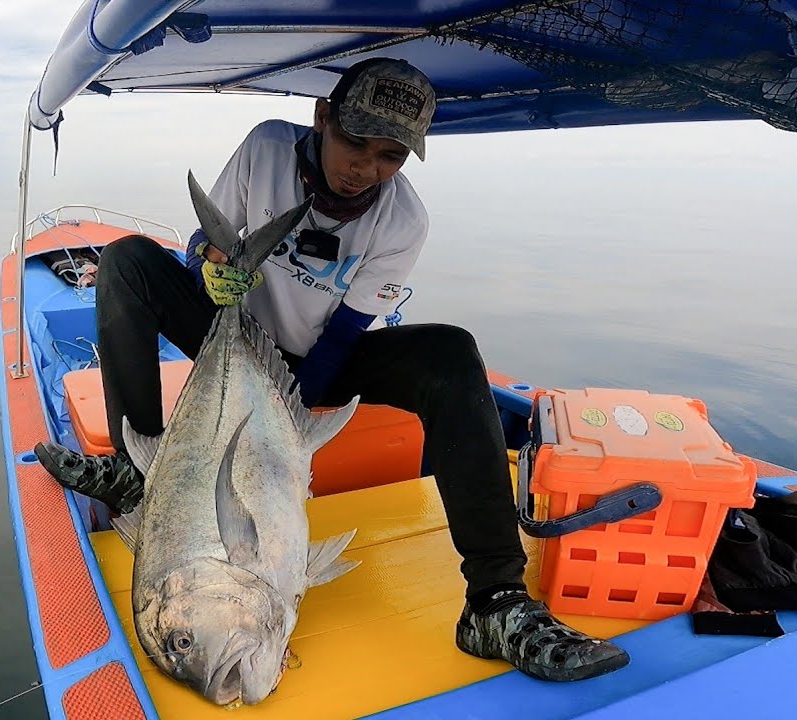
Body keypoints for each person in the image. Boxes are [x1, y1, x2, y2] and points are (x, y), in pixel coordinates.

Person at [34, 57, 630, 682]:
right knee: (129, 262)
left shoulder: (403, 221)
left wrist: (279, 418)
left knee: (452, 353)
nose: (364, 169)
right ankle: (141, 477)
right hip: (232, 322)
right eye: (354, 143)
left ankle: (495, 602)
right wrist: (212, 262)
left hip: (327, 355)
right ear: (323, 118)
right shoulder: (266, 148)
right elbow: (202, 245)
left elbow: (340, 340)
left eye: (389, 156)